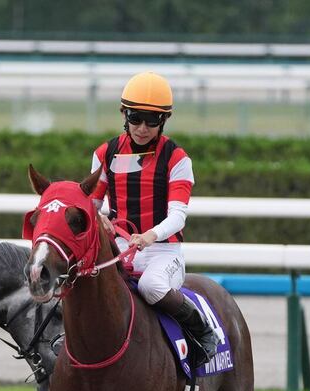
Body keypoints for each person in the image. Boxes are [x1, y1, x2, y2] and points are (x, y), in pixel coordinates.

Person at [91, 71, 220, 366]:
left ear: (164, 120)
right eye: (136, 118)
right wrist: (101, 219)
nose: (142, 127)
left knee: (151, 287)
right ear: (124, 114)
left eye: (152, 120)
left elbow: (178, 216)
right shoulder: (104, 154)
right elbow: (92, 206)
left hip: (163, 252)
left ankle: (202, 328)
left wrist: (149, 236)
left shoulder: (177, 159)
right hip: (119, 250)